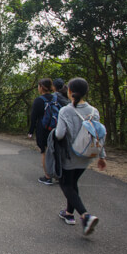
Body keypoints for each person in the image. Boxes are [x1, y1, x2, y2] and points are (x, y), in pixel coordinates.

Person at [54, 77, 106, 236]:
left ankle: (86, 216)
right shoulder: (93, 111)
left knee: (65, 185)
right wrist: (101, 156)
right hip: (87, 155)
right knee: (73, 183)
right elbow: (98, 134)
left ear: (69, 91)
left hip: (70, 155)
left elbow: (60, 134)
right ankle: (69, 214)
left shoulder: (65, 111)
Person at [28, 78, 56, 185]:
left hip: (43, 129)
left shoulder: (39, 100)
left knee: (44, 152)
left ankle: (47, 176)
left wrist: (30, 131)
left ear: (41, 87)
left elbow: (34, 117)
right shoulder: (55, 98)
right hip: (56, 129)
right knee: (55, 151)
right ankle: (58, 175)